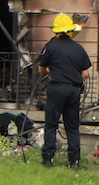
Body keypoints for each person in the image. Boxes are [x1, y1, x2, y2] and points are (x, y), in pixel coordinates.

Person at [38, 13, 92, 168]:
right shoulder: (79, 48)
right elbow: (86, 73)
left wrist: (49, 71)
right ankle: (74, 160)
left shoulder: (51, 47)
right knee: (72, 126)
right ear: (70, 30)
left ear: (56, 31)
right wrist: (74, 80)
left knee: (51, 125)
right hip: (73, 90)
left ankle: (48, 158)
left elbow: (41, 68)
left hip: (56, 89)